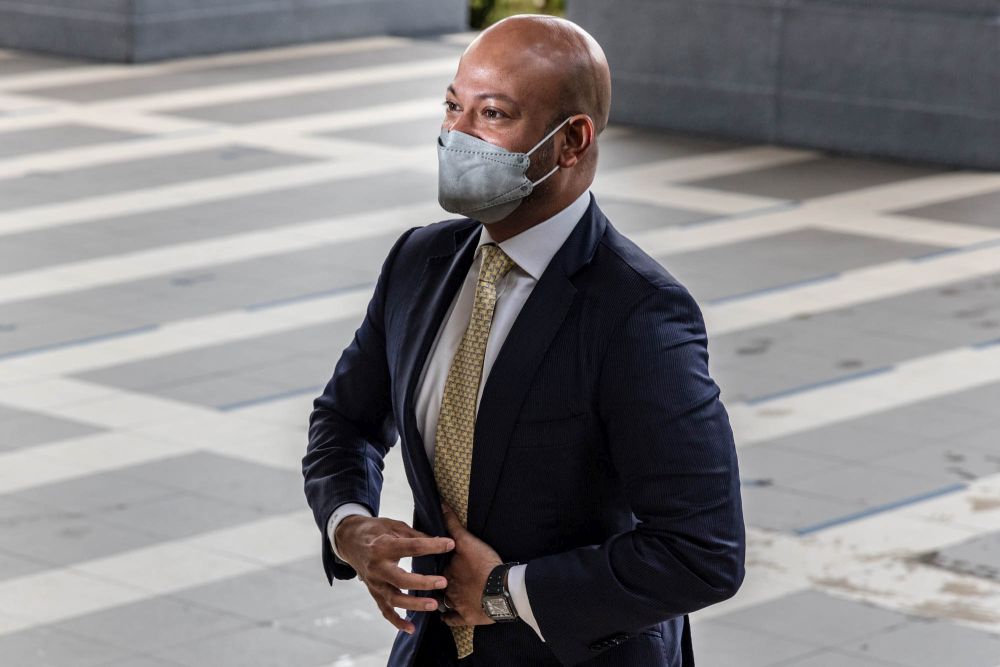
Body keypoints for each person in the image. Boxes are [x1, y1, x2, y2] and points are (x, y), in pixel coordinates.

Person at [302, 13, 745, 667]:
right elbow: (344, 420)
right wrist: (352, 527)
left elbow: (703, 550)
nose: (456, 134)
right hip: (430, 650)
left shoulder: (638, 314)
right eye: (453, 106)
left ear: (570, 141)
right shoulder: (420, 261)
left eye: (493, 115)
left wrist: (507, 592)